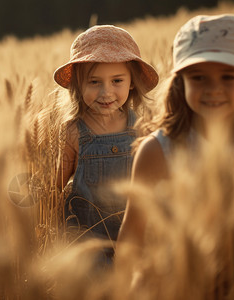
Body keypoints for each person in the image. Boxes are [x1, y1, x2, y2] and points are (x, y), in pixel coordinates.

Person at [117, 14, 234, 251]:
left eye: (228, 76)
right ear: (180, 82)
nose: (214, 89)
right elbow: (133, 235)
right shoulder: (158, 151)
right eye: (199, 77)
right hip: (179, 283)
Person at [53, 25, 159, 264]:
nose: (106, 92)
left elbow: (153, 180)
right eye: (94, 82)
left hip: (133, 237)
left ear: (132, 82)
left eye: (117, 80)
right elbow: (56, 183)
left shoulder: (142, 127)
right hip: (87, 241)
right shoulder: (74, 131)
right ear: (78, 85)